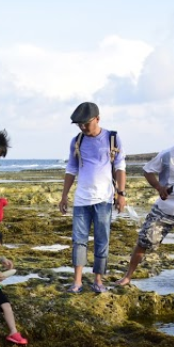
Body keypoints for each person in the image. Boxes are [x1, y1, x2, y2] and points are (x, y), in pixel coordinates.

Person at [115, 122, 174, 287]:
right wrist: (159, 187)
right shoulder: (166, 156)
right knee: (143, 241)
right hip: (164, 210)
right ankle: (127, 277)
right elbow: (147, 170)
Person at [58, 102, 127, 293]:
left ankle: (98, 280)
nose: (82, 127)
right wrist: (64, 196)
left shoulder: (112, 138)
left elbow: (120, 167)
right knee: (78, 240)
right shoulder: (77, 141)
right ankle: (77, 281)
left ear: (97, 119)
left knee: (102, 240)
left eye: (86, 123)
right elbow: (71, 169)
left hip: (104, 199)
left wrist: (121, 194)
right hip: (81, 200)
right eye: (79, 124)